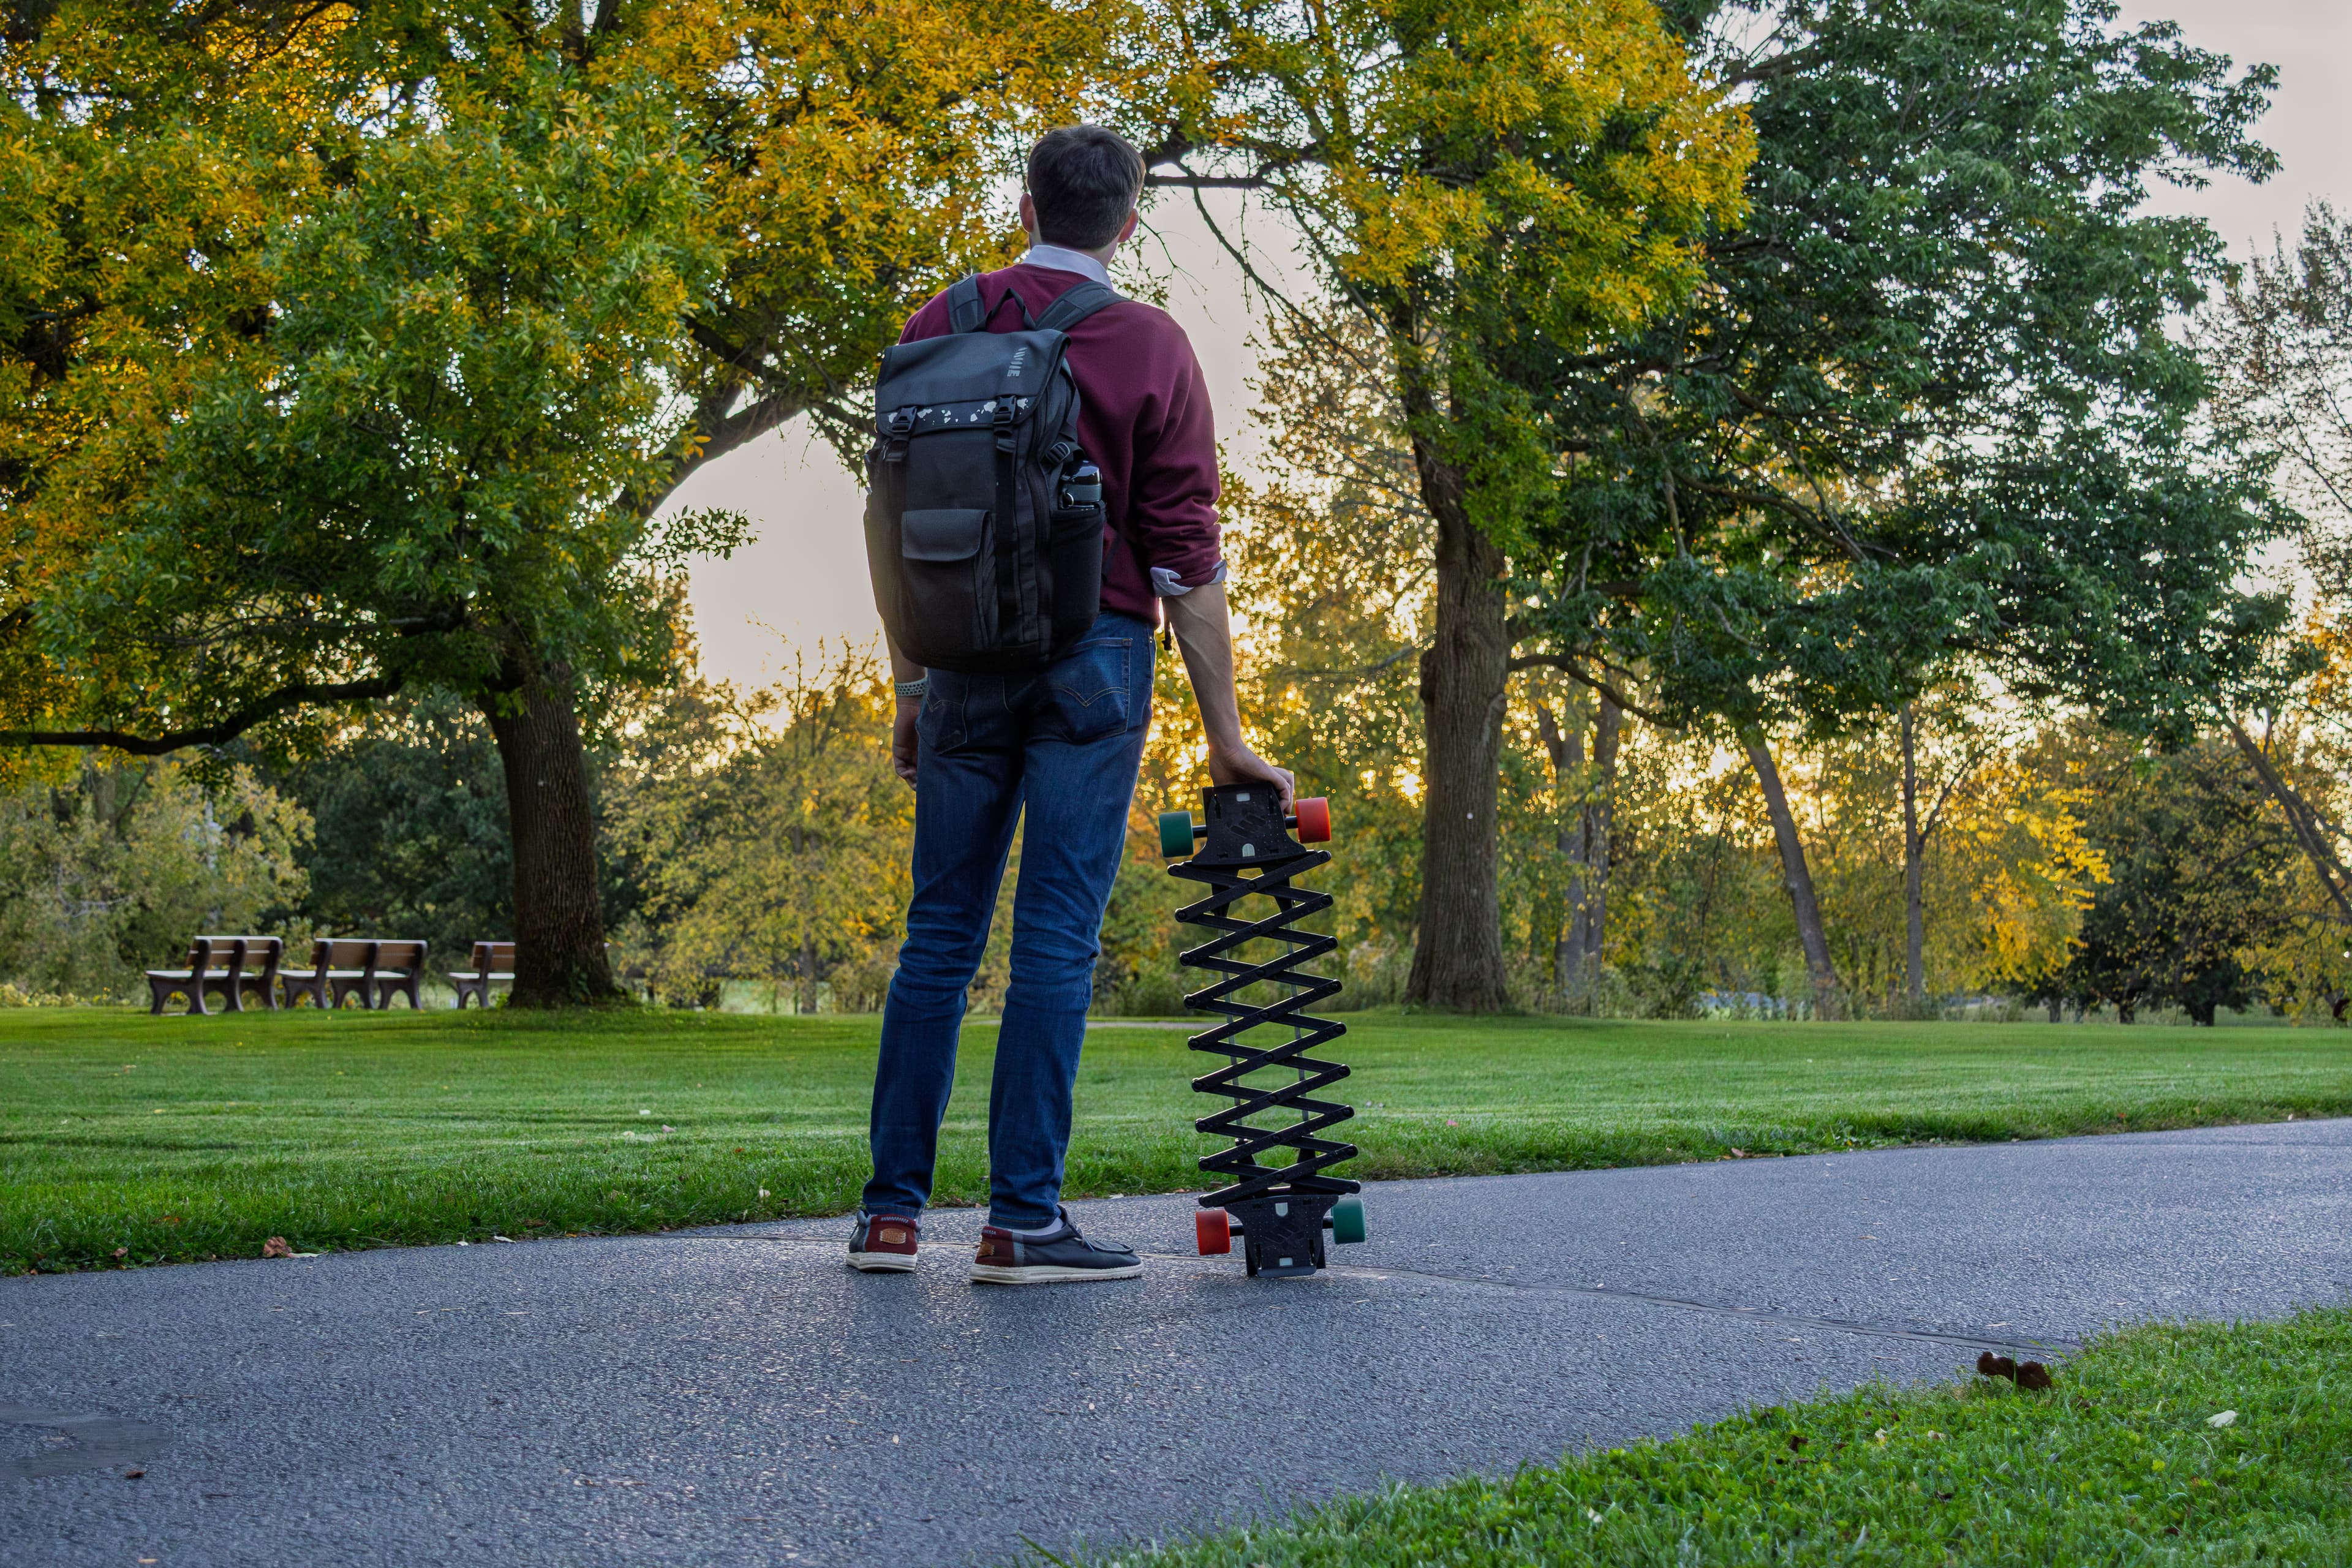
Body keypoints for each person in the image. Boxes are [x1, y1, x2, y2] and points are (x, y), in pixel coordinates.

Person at [848, 124, 1293, 1284]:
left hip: (956, 664)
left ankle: (891, 1219)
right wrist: (1228, 737)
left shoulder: (935, 326)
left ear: (1030, 204)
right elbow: (1187, 553)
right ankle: (1022, 1223)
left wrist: (911, 686)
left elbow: (890, 528)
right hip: (1093, 654)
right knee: (1054, 936)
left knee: (936, 935)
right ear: (1130, 220)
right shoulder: (1148, 342)